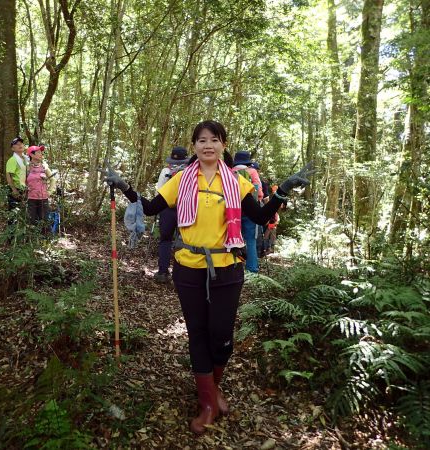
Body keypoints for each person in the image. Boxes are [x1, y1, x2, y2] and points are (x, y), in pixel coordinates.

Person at [104, 120, 314, 435]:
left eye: (214, 140)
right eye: (201, 140)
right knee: (198, 333)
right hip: (189, 266)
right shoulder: (180, 181)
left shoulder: (236, 182)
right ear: (194, 146)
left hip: (227, 268)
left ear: (223, 145)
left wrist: (281, 191)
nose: (208, 145)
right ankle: (207, 402)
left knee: (222, 337)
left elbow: (259, 215)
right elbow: (149, 208)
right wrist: (124, 188)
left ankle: (213, 390)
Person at [154, 146, 189, 283]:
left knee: (165, 240)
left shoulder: (166, 170)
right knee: (185, 241)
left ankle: (163, 272)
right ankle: (182, 273)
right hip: (185, 210)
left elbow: (159, 192)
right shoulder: (190, 171)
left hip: (167, 209)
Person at [232, 151, 263, 273]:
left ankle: (233, 265)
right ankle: (252, 269)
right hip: (250, 210)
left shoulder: (230, 171)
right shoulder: (252, 172)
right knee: (250, 239)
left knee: (234, 238)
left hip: (233, 210)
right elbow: (259, 193)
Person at [26, 144, 56, 231]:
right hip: (31, 198)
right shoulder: (27, 167)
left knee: (44, 221)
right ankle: (33, 241)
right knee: (31, 221)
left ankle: (45, 241)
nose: (41, 154)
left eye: (41, 152)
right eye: (38, 152)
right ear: (31, 155)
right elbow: (22, 181)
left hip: (43, 198)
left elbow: (53, 180)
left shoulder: (44, 167)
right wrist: (25, 189)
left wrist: (50, 191)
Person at [5, 136, 29, 230]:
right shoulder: (12, 160)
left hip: (25, 189)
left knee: (25, 213)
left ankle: (23, 237)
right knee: (13, 214)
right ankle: (11, 238)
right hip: (16, 189)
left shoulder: (26, 159)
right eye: (17, 144)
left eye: (21, 143)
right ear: (12, 148)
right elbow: (9, 176)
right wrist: (14, 190)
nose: (20, 145)